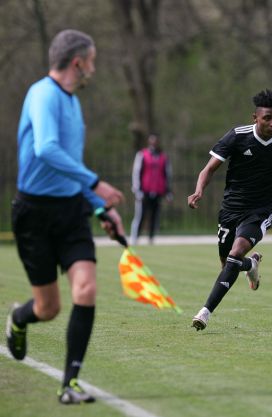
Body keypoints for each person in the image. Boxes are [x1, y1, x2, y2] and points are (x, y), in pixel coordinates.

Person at [6, 29, 125, 404]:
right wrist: (98, 184)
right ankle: (19, 319)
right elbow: (46, 149)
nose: (94, 67)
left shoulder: (74, 102)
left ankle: (69, 383)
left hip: (71, 211)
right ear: (77, 62)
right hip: (33, 214)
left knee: (86, 289)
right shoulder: (42, 94)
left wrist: (99, 207)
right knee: (49, 308)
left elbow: (68, 167)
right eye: (91, 60)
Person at [188, 89, 272, 331]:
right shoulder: (237, 137)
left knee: (235, 254)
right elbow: (209, 169)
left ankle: (204, 313)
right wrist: (199, 190)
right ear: (255, 117)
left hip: (261, 210)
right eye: (268, 118)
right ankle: (251, 265)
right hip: (230, 210)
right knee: (229, 263)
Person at [129, 133, 173, 245]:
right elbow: (136, 172)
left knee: (155, 216)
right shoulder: (142, 155)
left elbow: (167, 175)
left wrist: (168, 192)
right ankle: (135, 238)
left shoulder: (163, 157)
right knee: (140, 215)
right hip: (144, 191)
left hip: (158, 191)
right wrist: (137, 190)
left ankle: (151, 239)